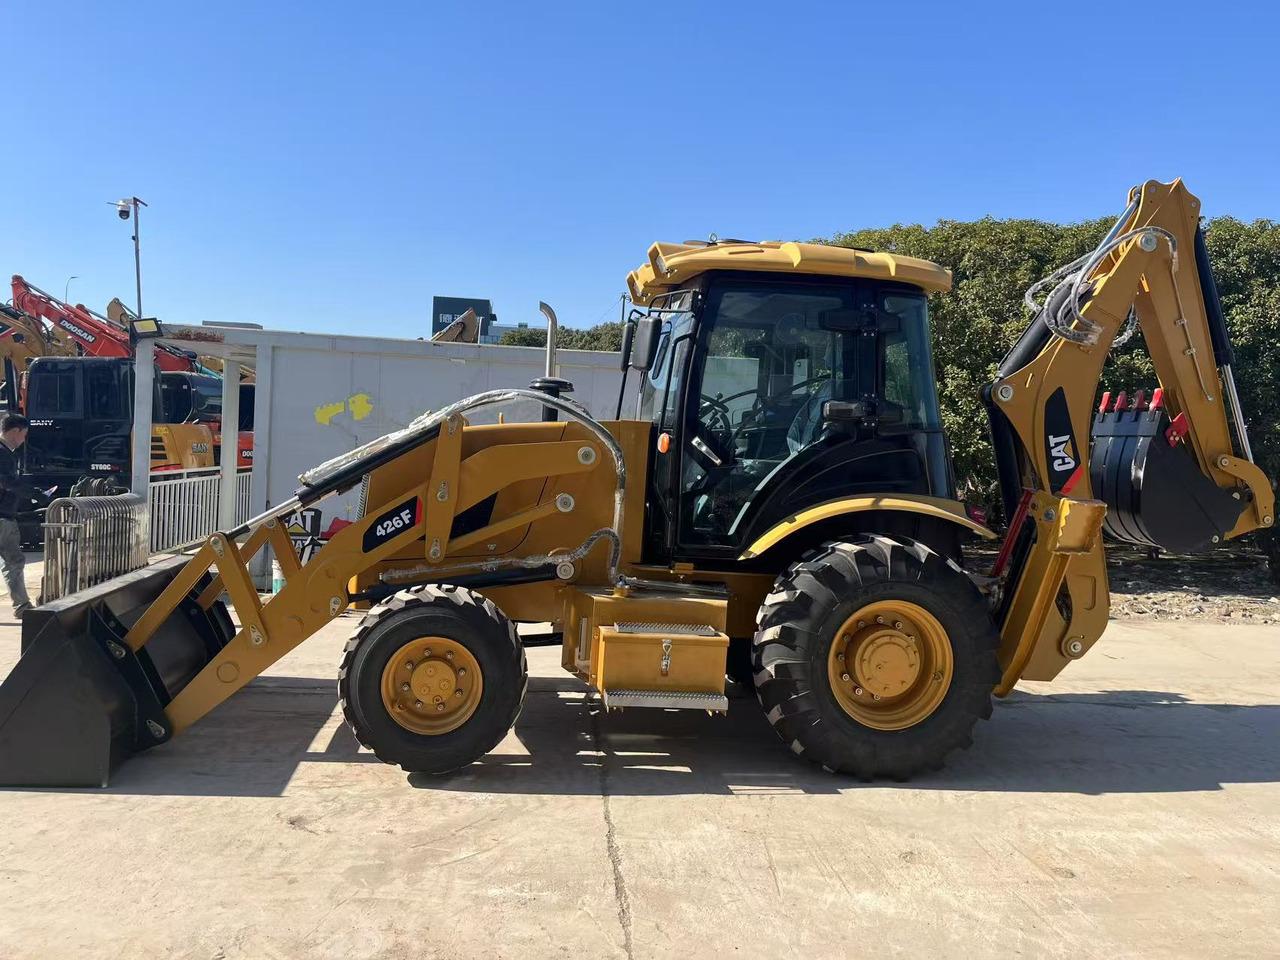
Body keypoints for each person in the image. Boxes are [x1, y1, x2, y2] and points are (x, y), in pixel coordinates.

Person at [0, 414, 40, 618]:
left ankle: (22, 605)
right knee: (13, 561)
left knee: (12, 561)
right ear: (14, 431)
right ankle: (22, 607)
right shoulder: (3, 453)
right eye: (24, 434)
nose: (24, 440)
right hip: (2, 517)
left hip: (5, 515)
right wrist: (29, 492)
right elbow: (5, 481)